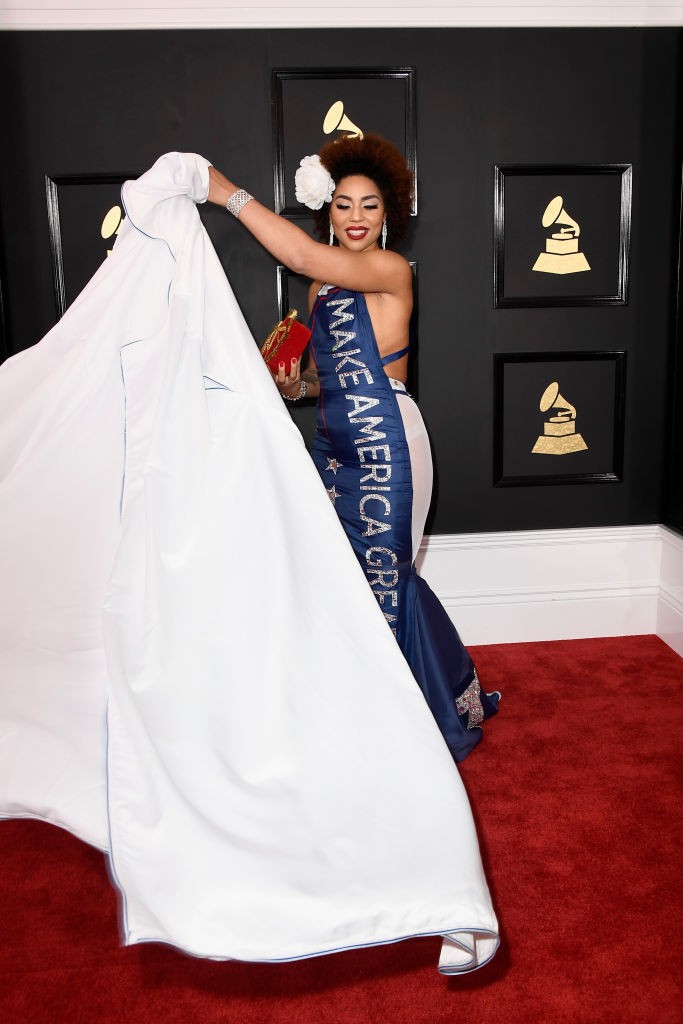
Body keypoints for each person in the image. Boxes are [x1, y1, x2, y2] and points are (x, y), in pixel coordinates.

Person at [206, 135, 499, 762]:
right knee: (344, 582)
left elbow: (300, 254)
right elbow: (323, 375)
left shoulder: (392, 273)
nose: (357, 218)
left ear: (387, 214)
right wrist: (295, 384)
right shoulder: (320, 292)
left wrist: (223, 191)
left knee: (387, 580)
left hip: (390, 444)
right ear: (330, 212)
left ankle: (408, 720)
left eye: (370, 205)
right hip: (335, 451)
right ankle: (373, 701)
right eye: (344, 205)